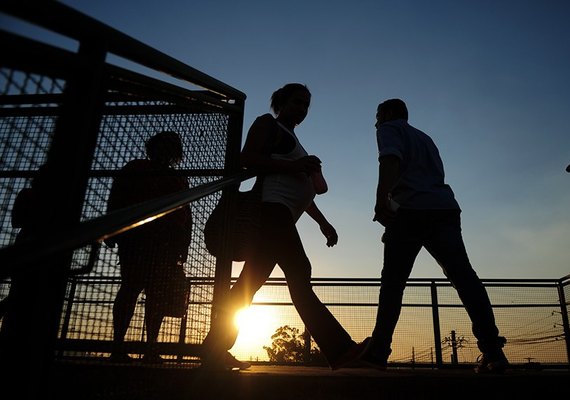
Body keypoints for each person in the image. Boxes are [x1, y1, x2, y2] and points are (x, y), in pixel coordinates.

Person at [201, 83, 360, 370]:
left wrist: (323, 223)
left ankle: (213, 348)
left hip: (281, 215)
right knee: (299, 272)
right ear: (281, 102)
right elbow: (247, 159)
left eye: (306, 105)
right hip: (272, 213)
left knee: (249, 285)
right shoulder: (267, 124)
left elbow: (301, 189)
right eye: (297, 102)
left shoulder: (295, 141)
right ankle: (341, 350)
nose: (302, 109)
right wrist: (295, 167)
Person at [358, 98, 509, 373]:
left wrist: (382, 200)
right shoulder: (426, 138)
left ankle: (378, 352)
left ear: (389, 114)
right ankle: (494, 351)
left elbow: (390, 161)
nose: (376, 121)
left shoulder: (389, 129)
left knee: (393, 284)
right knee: (465, 279)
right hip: (444, 209)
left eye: (378, 115)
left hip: (409, 211)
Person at [106, 130, 192, 363]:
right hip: (137, 240)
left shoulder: (178, 178)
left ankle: (150, 347)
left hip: (166, 243)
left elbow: (186, 212)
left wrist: (184, 242)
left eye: (171, 147)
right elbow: (117, 196)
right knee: (131, 289)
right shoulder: (136, 169)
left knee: (155, 295)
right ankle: (118, 346)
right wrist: (111, 227)